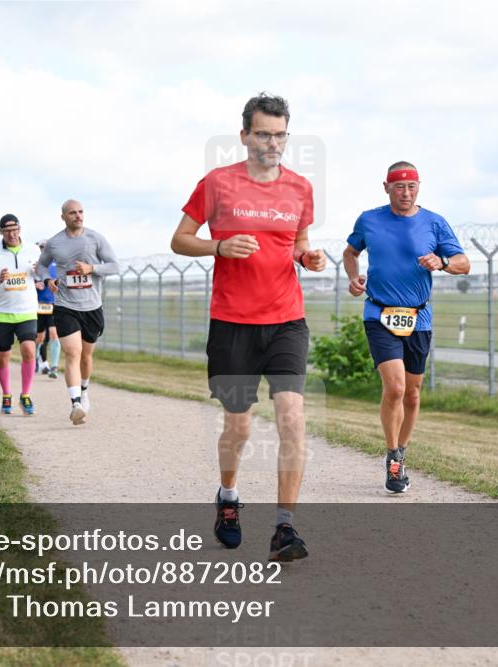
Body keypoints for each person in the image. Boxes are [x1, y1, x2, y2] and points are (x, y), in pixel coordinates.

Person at [170, 92, 327, 562]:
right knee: (238, 427)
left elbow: (297, 243)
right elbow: (180, 239)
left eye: (280, 135)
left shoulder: (299, 188)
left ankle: (284, 528)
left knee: (292, 418)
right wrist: (217, 248)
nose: (272, 143)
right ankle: (228, 497)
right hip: (232, 323)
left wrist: (308, 256)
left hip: (286, 321)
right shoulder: (217, 184)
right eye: (263, 134)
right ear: (244, 136)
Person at [343, 161, 470, 493]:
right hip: (379, 315)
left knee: (412, 395)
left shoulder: (434, 223)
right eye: (399, 186)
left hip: (418, 317)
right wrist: (353, 277)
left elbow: (464, 263)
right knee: (396, 388)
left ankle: (402, 449)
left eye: (412, 186)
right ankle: (393, 457)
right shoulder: (369, 220)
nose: (406, 192)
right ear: (386, 187)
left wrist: (441, 262)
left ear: (419, 187)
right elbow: (350, 252)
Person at [39, 199, 119, 425]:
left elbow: (114, 265)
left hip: (92, 307)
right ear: (63, 216)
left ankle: (84, 391)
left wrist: (92, 268)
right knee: (72, 353)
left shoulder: (95, 239)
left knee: (86, 355)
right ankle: (75, 403)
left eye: (81, 212)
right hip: (65, 305)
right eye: (72, 213)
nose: (78, 216)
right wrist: (48, 279)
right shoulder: (54, 243)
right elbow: (42, 264)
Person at [0, 214, 43, 415]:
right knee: (3, 356)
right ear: (1, 232)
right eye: (7, 231)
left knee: (29, 350)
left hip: (26, 311)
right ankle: (6, 394)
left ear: (20, 228)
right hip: (2, 313)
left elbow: (42, 276)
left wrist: (38, 273)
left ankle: (26, 395)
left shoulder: (33, 250)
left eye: (15, 229)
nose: (12, 234)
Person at [34, 240, 61, 380]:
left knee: (54, 334)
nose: (44, 250)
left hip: (53, 305)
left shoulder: (58, 264)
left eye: (46, 247)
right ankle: (36, 359)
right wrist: (35, 285)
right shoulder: (36, 265)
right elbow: (27, 282)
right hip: (38, 305)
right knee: (39, 337)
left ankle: (54, 367)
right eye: (41, 247)